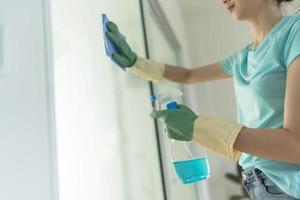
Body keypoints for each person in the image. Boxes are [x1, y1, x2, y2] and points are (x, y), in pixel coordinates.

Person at [105, 0, 300, 199]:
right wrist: (135, 62)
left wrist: (199, 127)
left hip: (287, 186)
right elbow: (188, 76)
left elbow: (296, 145)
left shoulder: (295, 32)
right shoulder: (242, 58)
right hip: (256, 182)